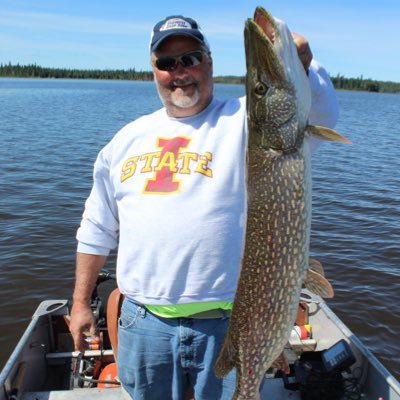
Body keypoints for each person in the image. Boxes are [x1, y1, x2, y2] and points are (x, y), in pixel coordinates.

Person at [69, 14, 339, 400]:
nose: (180, 72)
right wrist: (80, 303)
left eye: (191, 58)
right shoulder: (125, 140)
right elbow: (96, 227)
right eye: (167, 63)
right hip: (144, 323)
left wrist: (305, 66)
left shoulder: (248, 122)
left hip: (233, 322)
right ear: (154, 71)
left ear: (209, 61)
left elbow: (322, 114)